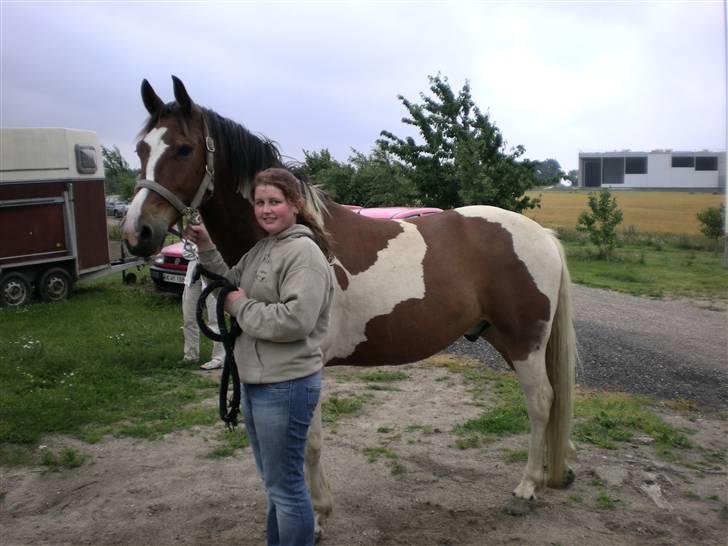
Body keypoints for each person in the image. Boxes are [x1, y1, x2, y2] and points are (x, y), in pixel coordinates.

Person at [184, 167, 334, 546]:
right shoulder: (265, 247)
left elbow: (295, 320)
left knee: (286, 488)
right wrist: (205, 247)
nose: (266, 210)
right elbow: (230, 283)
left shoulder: (304, 253)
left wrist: (240, 307)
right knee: (276, 487)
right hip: (258, 382)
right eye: (260, 202)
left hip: (285, 385)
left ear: (295, 206)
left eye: (275, 202)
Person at [182, 239, 225, 370]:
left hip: (211, 274)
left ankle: (219, 358)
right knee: (189, 317)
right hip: (193, 274)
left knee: (215, 319)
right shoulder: (193, 228)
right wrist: (195, 250)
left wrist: (202, 249)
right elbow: (186, 252)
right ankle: (190, 355)